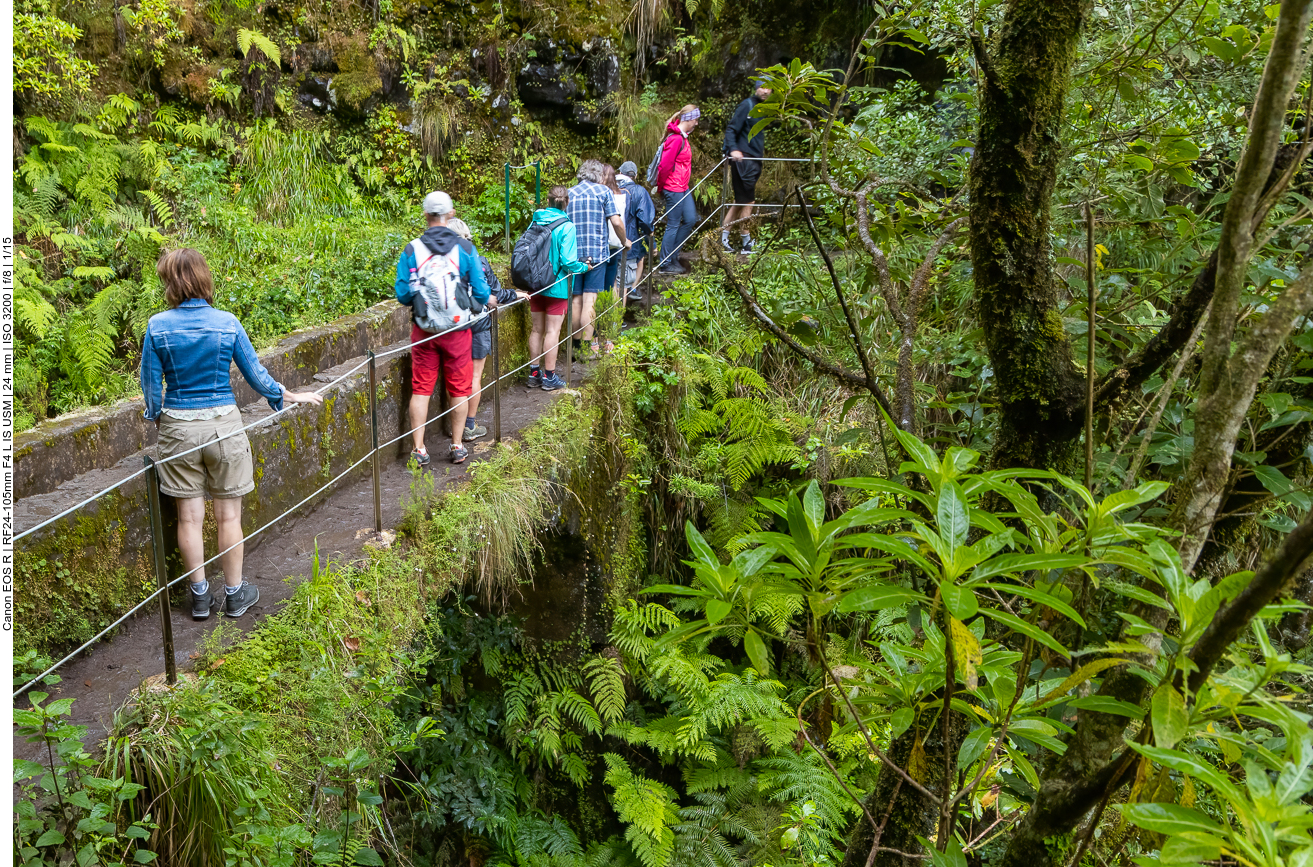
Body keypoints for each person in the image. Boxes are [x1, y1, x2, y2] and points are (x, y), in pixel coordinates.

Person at [140, 248, 325, 621]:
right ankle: (236, 595)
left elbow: (150, 384)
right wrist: (288, 395)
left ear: (173, 284)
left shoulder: (157, 326)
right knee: (228, 517)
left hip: (178, 428)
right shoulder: (227, 322)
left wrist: (158, 415)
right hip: (224, 425)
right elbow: (255, 373)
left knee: (188, 518)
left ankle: (200, 598)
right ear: (203, 278)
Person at [394, 191, 490, 465]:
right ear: (451, 214)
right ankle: (457, 445)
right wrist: (471, 303)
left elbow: (402, 294)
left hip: (424, 331)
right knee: (459, 387)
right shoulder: (465, 248)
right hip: (457, 330)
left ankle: (419, 450)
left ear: (425, 215)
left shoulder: (412, 249)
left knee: (421, 388)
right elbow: (482, 292)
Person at [447, 217, 526, 437]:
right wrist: (516, 294)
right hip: (478, 322)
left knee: (454, 376)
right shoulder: (478, 260)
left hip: (453, 325)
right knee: (474, 377)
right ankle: (469, 425)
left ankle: (454, 424)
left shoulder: (441, 263)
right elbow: (496, 294)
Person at [527, 186, 589, 390]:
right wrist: (584, 267)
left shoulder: (536, 220)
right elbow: (568, 261)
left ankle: (534, 372)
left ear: (548, 200)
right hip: (556, 285)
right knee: (553, 331)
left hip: (535, 284)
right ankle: (549, 377)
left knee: (537, 329)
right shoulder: (567, 226)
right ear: (567, 202)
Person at [567, 159, 630, 356]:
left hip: (573, 256)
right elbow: (616, 222)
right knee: (590, 301)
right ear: (597, 174)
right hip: (597, 255)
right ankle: (586, 349)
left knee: (576, 300)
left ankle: (575, 347)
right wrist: (624, 241)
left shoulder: (570, 193)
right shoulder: (603, 192)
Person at [722, 80, 772, 255]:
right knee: (748, 202)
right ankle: (746, 243)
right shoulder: (747, 105)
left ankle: (724, 239)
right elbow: (731, 129)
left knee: (739, 201)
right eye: (762, 87)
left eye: (768, 88)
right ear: (756, 88)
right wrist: (733, 149)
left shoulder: (764, 108)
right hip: (744, 161)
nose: (765, 91)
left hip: (754, 160)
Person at [655, 104, 700, 275]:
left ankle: (672, 254)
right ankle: (666, 263)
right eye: (695, 119)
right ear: (689, 119)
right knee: (673, 224)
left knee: (690, 219)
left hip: (683, 187)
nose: (696, 123)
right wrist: (661, 187)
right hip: (673, 188)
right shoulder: (675, 139)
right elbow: (664, 166)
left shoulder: (683, 137)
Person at [615, 160, 655, 303]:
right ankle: (617, 323)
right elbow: (645, 220)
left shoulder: (609, 188)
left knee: (614, 281)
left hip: (608, 243)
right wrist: (652, 244)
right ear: (635, 176)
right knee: (622, 284)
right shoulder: (639, 191)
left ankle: (611, 321)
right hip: (629, 241)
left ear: (620, 173)